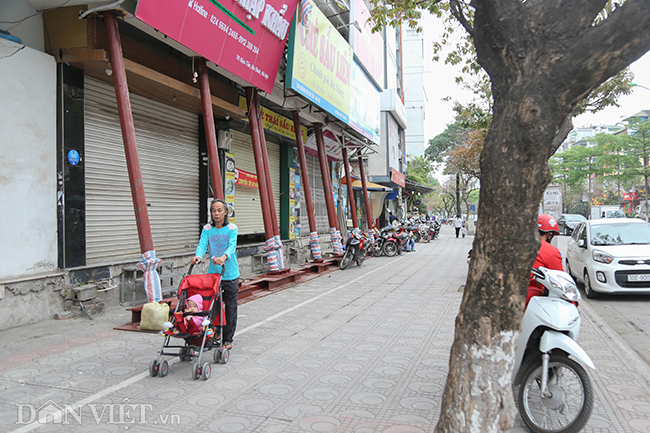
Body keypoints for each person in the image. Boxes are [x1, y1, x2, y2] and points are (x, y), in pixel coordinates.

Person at [191, 199, 239, 350]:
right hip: (213, 275)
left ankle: (228, 338)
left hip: (230, 274)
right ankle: (214, 331)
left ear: (225, 212)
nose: (216, 213)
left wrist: (223, 257)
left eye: (219, 210)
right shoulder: (207, 229)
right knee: (212, 306)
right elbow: (202, 244)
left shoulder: (232, 228)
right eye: (213, 210)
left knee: (230, 306)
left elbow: (232, 246)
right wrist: (198, 256)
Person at [526, 214, 563, 308]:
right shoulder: (550, 251)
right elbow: (560, 279)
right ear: (549, 235)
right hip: (533, 300)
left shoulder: (518, 244)